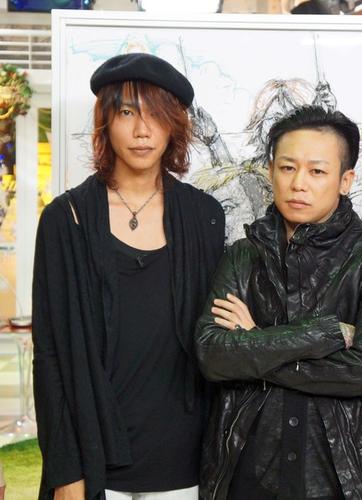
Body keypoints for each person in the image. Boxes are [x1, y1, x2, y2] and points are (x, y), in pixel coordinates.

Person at [32, 53, 225, 500]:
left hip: (184, 457)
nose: (142, 130)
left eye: (156, 115)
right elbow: (50, 354)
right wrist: (66, 471)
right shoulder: (66, 219)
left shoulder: (204, 216)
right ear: (105, 122)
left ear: (174, 125)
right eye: (126, 113)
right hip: (95, 456)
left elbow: (213, 338)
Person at [195, 106, 362, 500]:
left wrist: (255, 343)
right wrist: (322, 334)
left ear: (345, 180)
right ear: (271, 171)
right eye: (287, 168)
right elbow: (213, 355)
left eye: (317, 171)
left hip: (345, 473)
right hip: (246, 466)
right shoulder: (243, 255)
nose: (298, 184)